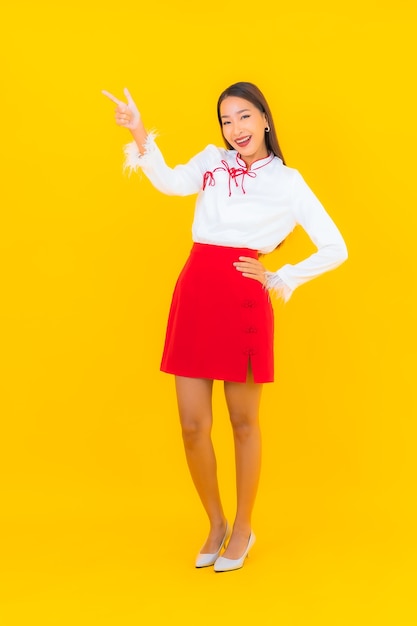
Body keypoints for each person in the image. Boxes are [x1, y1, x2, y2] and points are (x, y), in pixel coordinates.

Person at [102, 82, 348, 572]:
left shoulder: (289, 182)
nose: (235, 129)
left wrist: (280, 276)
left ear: (264, 119)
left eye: (243, 117)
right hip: (196, 291)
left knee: (242, 422)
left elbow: (335, 246)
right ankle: (214, 522)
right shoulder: (211, 162)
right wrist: (139, 133)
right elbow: (171, 183)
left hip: (242, 300)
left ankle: (243, 527)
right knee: (193, 425)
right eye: (226, 120)